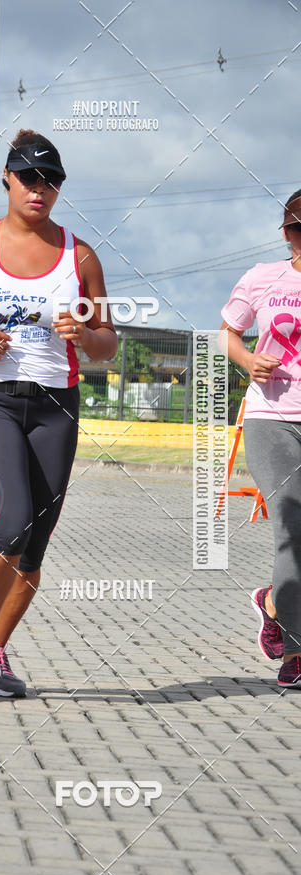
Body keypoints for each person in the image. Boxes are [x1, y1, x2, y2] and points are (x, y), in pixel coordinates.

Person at [0, 128, 118, 702]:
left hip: (56, 405)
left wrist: (84, 334)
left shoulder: (79, 255)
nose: (41, 188)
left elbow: (108, 341)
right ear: (6, 179)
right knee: (11, 521)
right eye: (30, 177)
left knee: (34, 545)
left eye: (52, 180)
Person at [221, 189, 301, 687]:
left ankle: (273, 602)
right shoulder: (262, 279)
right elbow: (228, 334)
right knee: (293, 531)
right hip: (272, 419)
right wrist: (249, 360)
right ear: (288, 233)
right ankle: (296, 652)